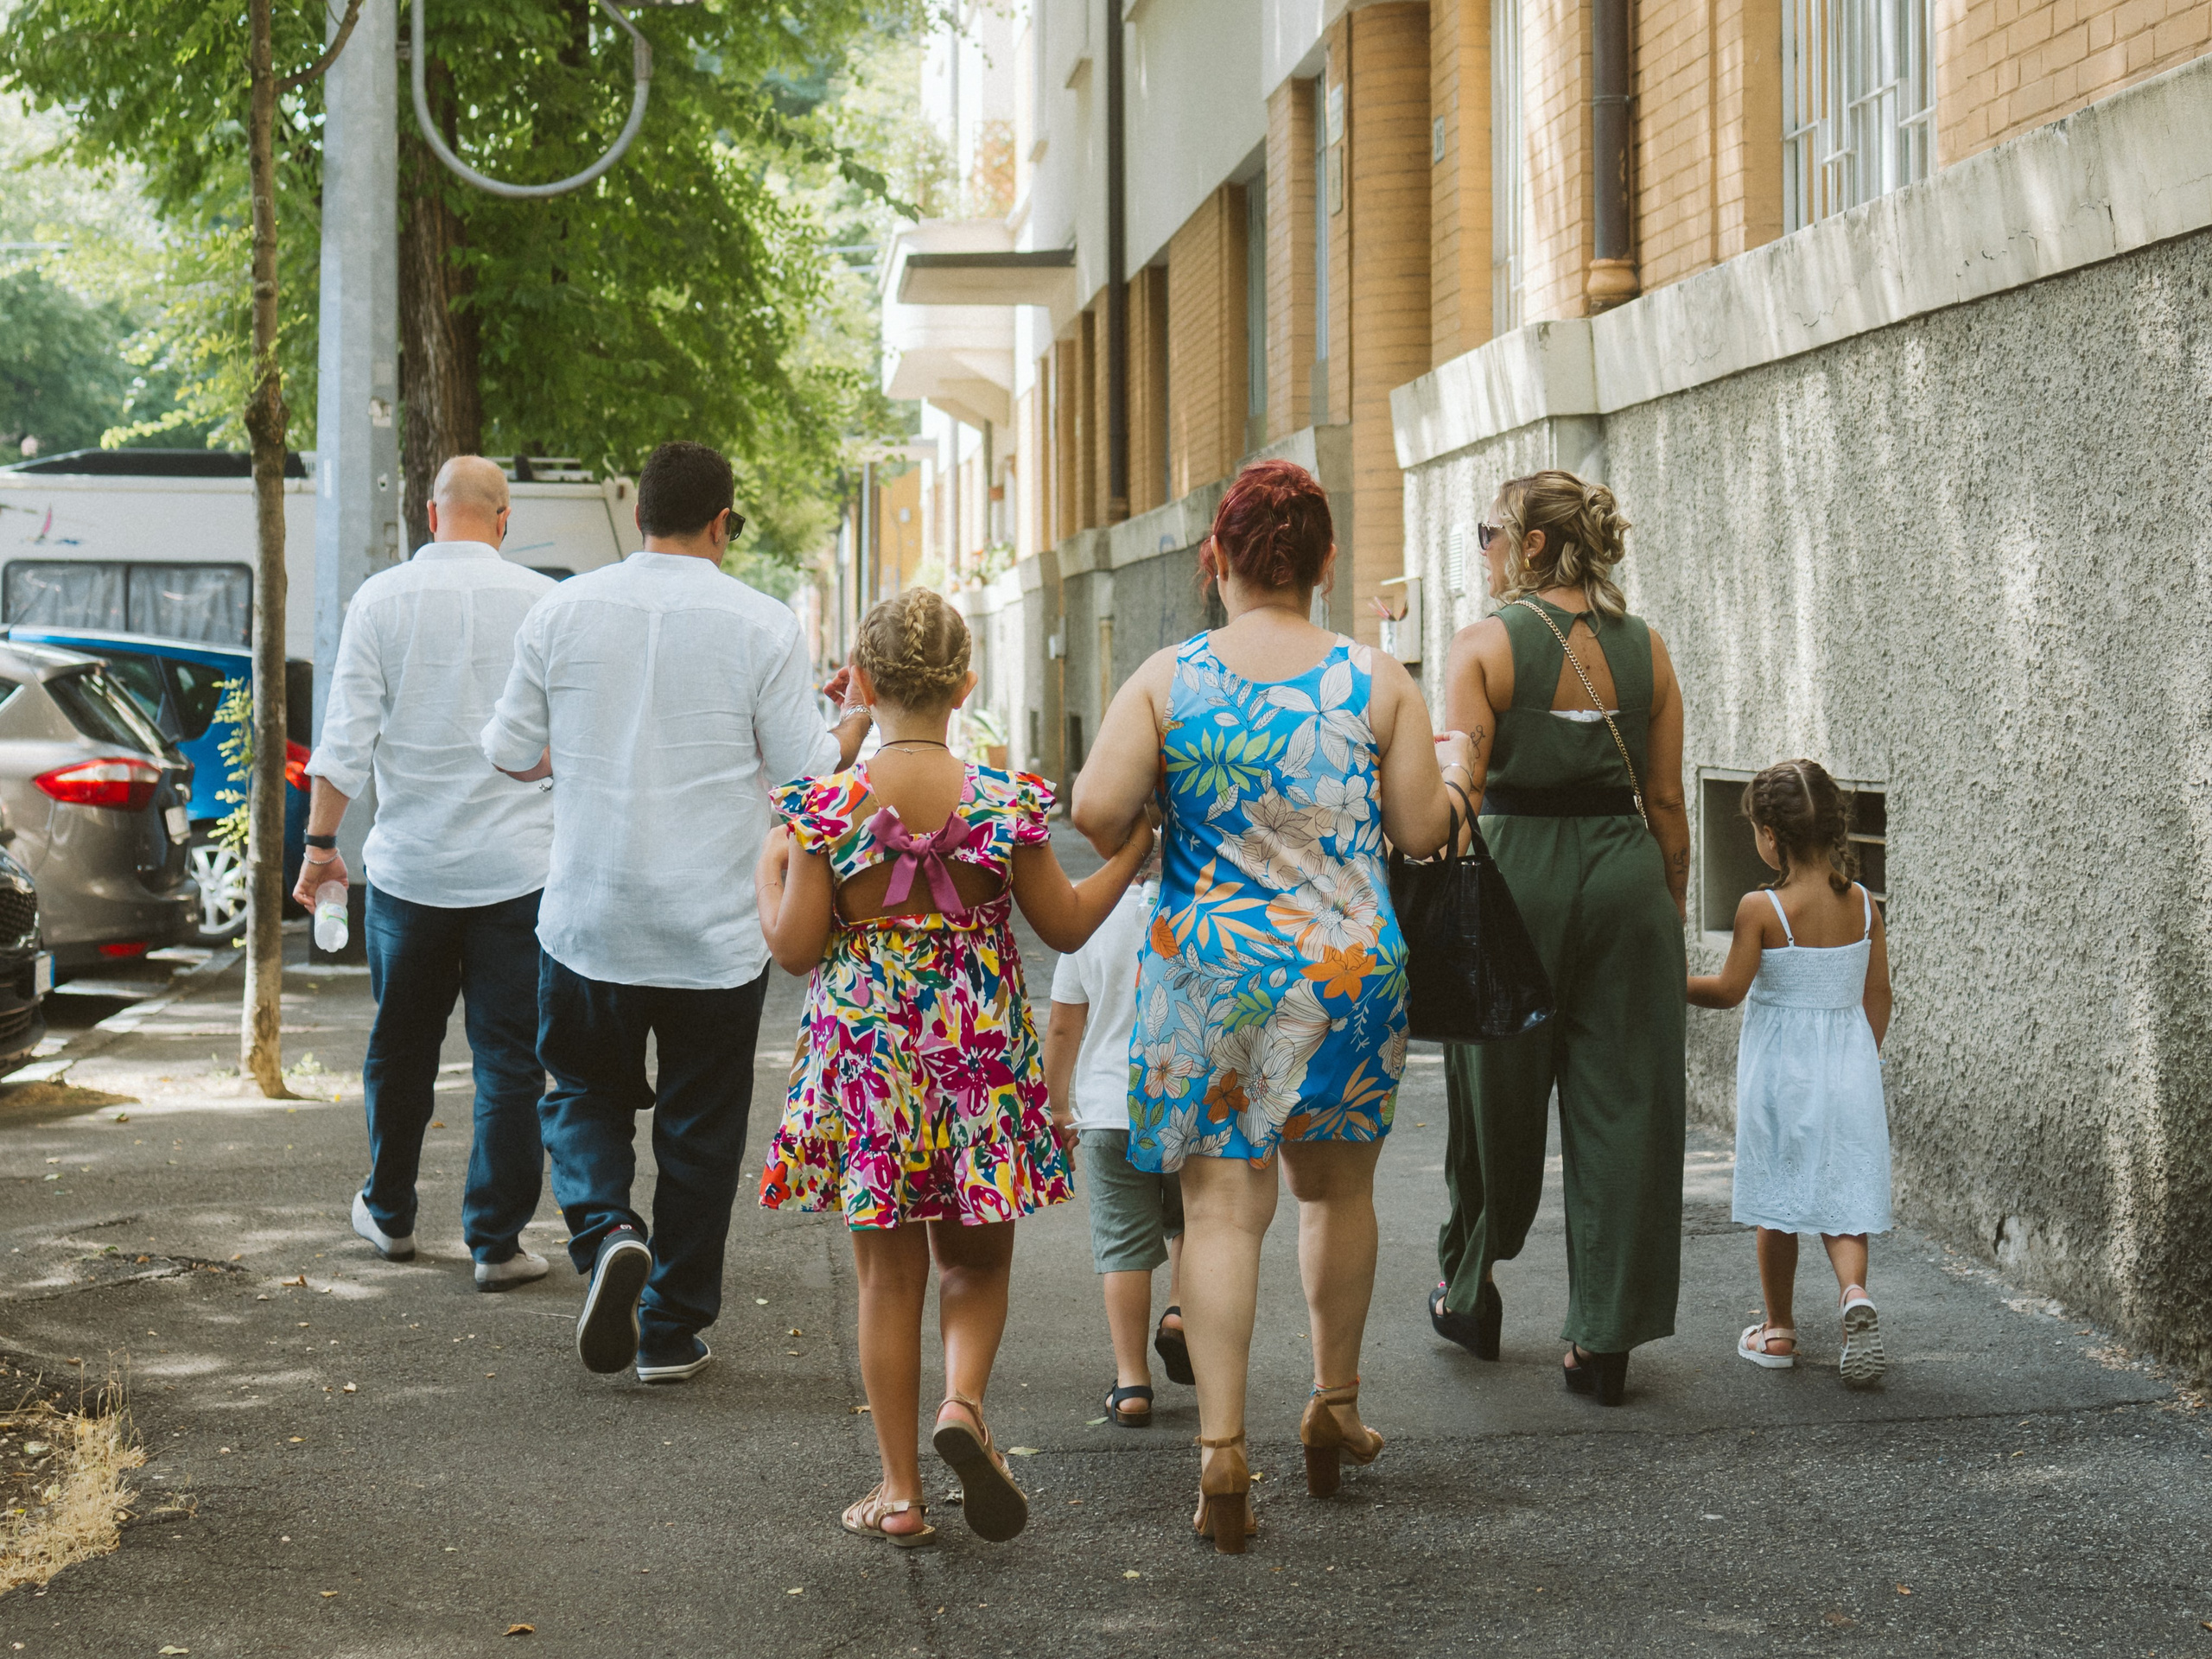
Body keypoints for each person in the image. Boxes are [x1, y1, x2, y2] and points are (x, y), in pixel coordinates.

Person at [1071, 459, 1470, 1554]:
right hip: (1347, 972)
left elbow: (1096, 811)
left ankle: (1222, 1455)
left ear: (1216, 560)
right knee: (1336, 1196)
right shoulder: (1376, 678)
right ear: (1326, 563)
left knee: (1219, 1213)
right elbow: (1425, 832)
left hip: (1211, 973)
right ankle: (1334, 1406)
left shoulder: (1167, 679)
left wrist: (1170, 798)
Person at [755, 588, 1154, 1548]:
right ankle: (964, 1407)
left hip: (869, 1052)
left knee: (888, 1279)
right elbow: (1061, 925)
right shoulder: (1002, 802)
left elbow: (798, 949)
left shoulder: (827, 807)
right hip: (975, 1049)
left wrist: (770, 871)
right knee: (974, 1258)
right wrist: (1138, 845)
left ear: (857, 680)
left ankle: (898, 1495)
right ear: (965, 683)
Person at [479, 440, 869, 1384]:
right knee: (699, 1124)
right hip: (712, 926)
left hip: (589, 912)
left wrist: (576, 751)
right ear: (722, 522)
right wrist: (852, 719)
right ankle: (671, 1329)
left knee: (578, 1089)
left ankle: (607, 1228)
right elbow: (809, 777)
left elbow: (508, 750)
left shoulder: (561, 608)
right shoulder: (762, 624)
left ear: (643, 512)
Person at [1431, 468, 1691, 1408]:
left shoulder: (1483, 647)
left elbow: (1457, 796)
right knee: (1624, 1104)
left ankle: (1470, 1289)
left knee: (1491, 1091)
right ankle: (1603, 1338)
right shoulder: (1649, 651)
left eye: (1489, 533)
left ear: (1531, 544)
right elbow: (1665, 800)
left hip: (1514, 875)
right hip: (1626, 875)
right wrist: (1664, 904)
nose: (1486, 551)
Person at [299, 454, 556, 1290]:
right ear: (504, 519)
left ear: (429, 511)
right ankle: (497, 1244)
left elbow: (346, 741)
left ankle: (392, 1213)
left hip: (409, 876)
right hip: (520, 873)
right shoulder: (540, 604)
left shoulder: (380, 600)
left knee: (400, 1050)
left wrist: (319, 847)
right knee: (511, 1060)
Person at [1688, 760, 1893, 1386]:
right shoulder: (1862, 905)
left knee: (1778, 1199)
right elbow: (1879, 993)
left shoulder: (1763, 908)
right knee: (1844, 1198)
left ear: (1770, 837)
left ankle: (1777, 1331)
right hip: (1849, 1066)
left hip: (1781, 1074)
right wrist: (1863, 1055)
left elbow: (1728, 991)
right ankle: (1853, 1294)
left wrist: (1664, 981)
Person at [1040, 845, 1194, 1429]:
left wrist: (1058, 1110)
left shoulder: (1085, 914)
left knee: (1123, 1247)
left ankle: (1132, 1383)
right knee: (1197, 1220)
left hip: (1108, 1107)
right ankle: (1180, 1308)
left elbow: (1062, 1023)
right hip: (1187, 1101)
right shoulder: (1201, 903)